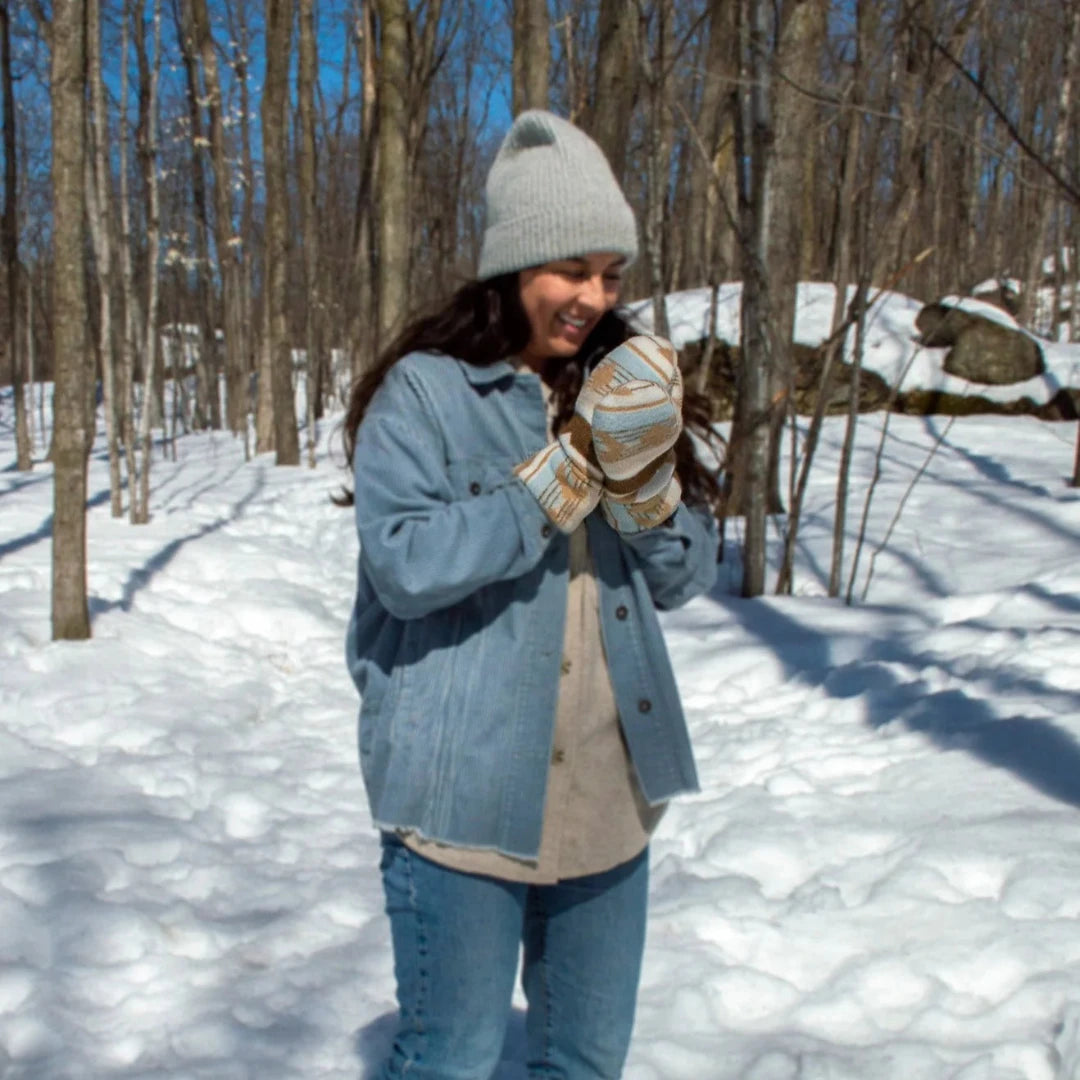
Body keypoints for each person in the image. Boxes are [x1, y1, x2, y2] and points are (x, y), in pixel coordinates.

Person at [341, 110, 721, 1080]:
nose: (595, 296)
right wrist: (562, 480)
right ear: (513, 265)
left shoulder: (623, 384)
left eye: (612, 274)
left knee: (585, 1062)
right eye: (572, 270)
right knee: (450, 1060)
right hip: (462, 796)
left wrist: (645, 486)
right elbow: (405, 564)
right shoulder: (428, 395)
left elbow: (684, 577)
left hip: (608, 794)